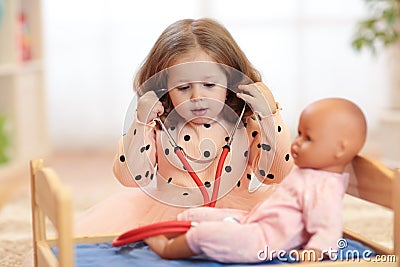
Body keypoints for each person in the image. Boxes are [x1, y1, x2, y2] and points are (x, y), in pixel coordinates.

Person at [75, 18, 293, 235]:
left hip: (234, 218)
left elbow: (277, 174)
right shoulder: (158, 127)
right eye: (183, 87)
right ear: (164, 87)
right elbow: (130, 178)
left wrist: (271, 115)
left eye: (209, 84)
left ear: (230, 82)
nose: (197, 96)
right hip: (172, 220)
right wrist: (141, 122)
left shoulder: (245, 123)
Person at [144, 98, 367, 263]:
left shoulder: (325, 187)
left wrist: (314, 253)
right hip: (254, 219)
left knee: (206, 233)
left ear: (340, 150)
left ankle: (169, 249)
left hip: (264, 239)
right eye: (299, 134)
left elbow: (328, 227)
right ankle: (175, 229)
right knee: (199, 214)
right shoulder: (310, 171)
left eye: (308, 138)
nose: (297, 143)